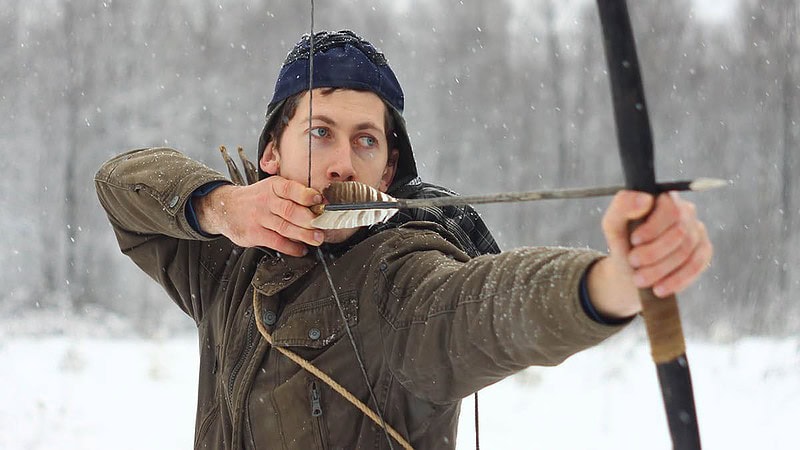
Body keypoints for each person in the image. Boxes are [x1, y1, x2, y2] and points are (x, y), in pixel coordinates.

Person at [95, 30, 712, 449]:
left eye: (367, 139)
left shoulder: (400, 276)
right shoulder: (227, 264)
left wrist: (617, 280)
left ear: (387, 173)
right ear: (271, 156)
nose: (342, 162)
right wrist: (218, 206)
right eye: (319, 132)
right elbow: (119, 185)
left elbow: (486, 307)